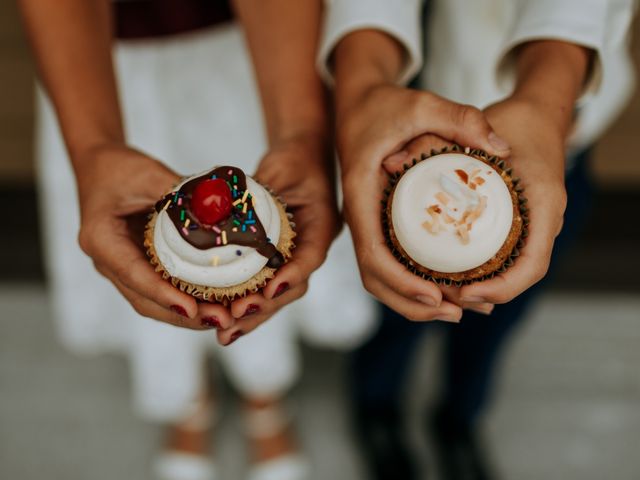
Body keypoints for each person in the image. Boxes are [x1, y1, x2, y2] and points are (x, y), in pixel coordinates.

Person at [21, 1, 375, 479]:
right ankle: (193, 398)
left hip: (253, 48)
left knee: (261, 249)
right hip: (105, 64)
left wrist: (300, 132)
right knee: (155, 256)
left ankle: (263, 396)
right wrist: (94, 148)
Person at [318, 0, 637, 478]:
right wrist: (363, 78)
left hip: (565, 128)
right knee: (396, 310)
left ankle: (459, 419)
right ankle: (377, 408)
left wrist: (549, 94)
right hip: (438, 95)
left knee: (497, 316)